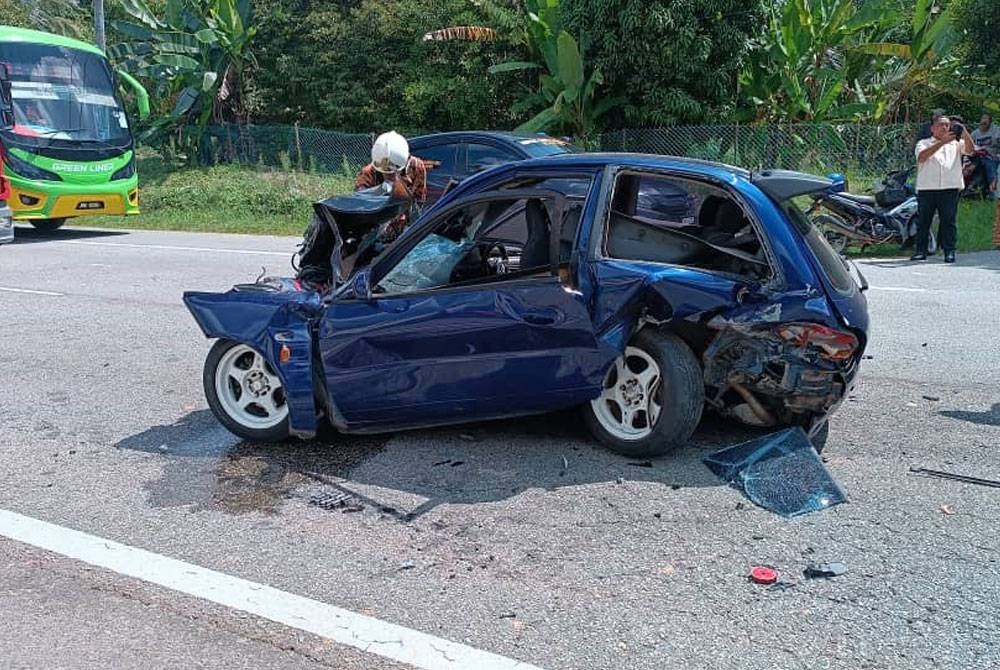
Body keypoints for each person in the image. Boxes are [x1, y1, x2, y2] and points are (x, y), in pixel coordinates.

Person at [911, 113, 975, 263]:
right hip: (928, 188)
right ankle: (921, 251)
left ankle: (949, 251)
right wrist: (942, 143)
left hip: (949, 188)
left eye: (947, 125)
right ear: (933, 128)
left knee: (948, 221)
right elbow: (922, 157)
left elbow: (971, 150)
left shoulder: (956, 144)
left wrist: (964, 131)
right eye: (941, 125)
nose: (945, 127)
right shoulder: (924, 143)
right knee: (924, 221)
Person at [355, 131, 427, 242]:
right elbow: (360, 205)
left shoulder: (417, 167)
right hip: (376, 231)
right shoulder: (368, 174)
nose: (389, 175)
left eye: (393, 171)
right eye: (385, 171)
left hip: (405, 230)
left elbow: (419, 201)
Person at [971, 113, 999, 200]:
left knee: (991, 168)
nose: (984, 122)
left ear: (990, 122)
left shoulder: (996, 130)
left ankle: (994, 194)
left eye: (986, 120)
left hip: (993, 157)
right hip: (978, 157)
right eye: (983, 119)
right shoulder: (975, 133)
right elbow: (970, 147)